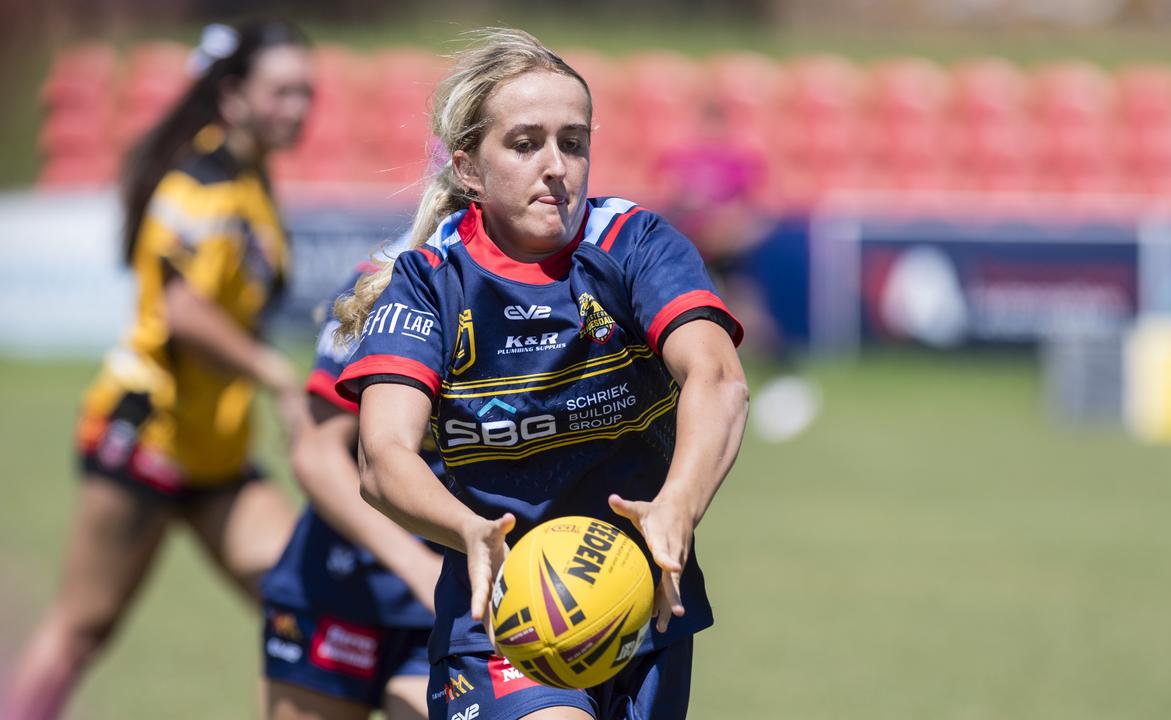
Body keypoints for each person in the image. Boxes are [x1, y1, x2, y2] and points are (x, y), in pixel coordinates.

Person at [331, 28, 750, 720]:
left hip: (643, 608)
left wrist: (679, 501)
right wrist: (466, 531)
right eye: (525, 144)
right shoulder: (429, 283)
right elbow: (381, 457)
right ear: (470, 169)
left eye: (573, 142)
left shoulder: (632, 244)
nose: (556, 165)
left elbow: (718, 378)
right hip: (503, 616)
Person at [1, 21, 313, 720]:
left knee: (301, 599)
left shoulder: (250, 177)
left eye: (307, 93)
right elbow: (182, 310)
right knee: (83, 628)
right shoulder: (200, 183)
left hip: (217, 452)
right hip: (145, 436)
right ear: (233, 96)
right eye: (283, 91)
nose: (300, 108)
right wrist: (273, 371)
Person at [260, 249, 444, 720]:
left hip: (459, 599)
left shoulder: (550, 281)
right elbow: (316, 454)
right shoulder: (382, 280)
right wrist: (419, 567)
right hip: (341, 584)